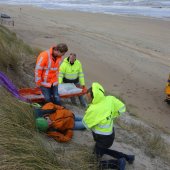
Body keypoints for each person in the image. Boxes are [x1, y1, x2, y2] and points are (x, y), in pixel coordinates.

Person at [82, 82, 135, 170]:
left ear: (93, 96)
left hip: (102, 140)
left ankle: (118, 163)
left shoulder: (93, 109)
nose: (87, 99)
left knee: (92, 164)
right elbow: (122, 108)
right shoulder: (110, 99)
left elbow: (85, 125)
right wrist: (111, 115)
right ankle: (128, 157)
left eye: (88, 97)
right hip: (110, 135)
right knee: (103, 150)